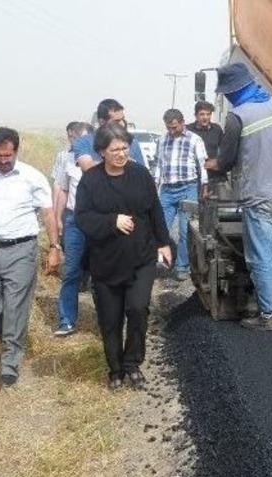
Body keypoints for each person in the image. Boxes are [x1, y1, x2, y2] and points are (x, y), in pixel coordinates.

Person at [207, 63, 272, 332]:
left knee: (260, 254)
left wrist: (212, 164)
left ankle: (268, 315)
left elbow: (227, 160)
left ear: (232, 92)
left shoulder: (237, 116)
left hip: (261, 194)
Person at [0, 127, 62, 387]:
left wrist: (53, 247)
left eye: (8, 155)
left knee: (16, 306)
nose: (3, 160)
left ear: (16, 150)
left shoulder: (32, 177)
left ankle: (10, 362)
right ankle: (12, 336)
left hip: (22, 250)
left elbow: (48, 213)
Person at [74, 124, 172, 390]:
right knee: (110, 318)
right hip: (106, 260)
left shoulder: (140, 174)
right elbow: (82, 217)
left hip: (141, 255)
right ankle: (115, 369)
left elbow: (155, 210)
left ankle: (132, 363)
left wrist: (163, 242)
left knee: (138, 309)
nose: (121, 154)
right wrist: (111, 221)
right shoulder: (91, 180)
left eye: (124, 148)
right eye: (115, 149)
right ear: (102, 152)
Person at [152, 109, 208, 281]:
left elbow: (202, 165)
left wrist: (204, 186)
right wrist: (155, 186)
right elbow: (159, 165)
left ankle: (182, 267)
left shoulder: (194, 140)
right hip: (167, 190)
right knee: (160, 228)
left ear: (182, 123)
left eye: (174, 127)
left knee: (185, 230)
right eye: (168, 128)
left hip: (187, 188)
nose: (171, 131)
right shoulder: (162, 140)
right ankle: (159, 262)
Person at [53, 122, 94, 336]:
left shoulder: (100, 156)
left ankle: (107, 321)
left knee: (102, 273)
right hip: (74, 220)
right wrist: (57, 219)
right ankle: (66, 320)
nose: (77, 142)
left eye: (81, 138)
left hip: (99, 222)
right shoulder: (65, 159)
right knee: (71, 272)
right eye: (73, 138)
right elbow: (61, 189)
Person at [74, 99, 145, 172]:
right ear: (102, 121)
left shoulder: (132, 142)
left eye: (122, 119)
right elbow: (89, 168)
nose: (122, 124)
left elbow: (141, 172)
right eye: (117, 121)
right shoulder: (83, 142)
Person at [51, 121, 88, 222]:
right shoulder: (65, 157)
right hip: (70, 212)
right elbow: (59, 186)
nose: (74, 141)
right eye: (71, 137)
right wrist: (55, 212)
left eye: (77, 137)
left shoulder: (99, 158)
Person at [186, 101, 225, 187]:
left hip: (213, 176)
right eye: (202, 114)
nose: (205, 117)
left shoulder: (217, 129)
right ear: (196, 115)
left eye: (208, 114)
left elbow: (224, 150)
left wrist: (217, 161)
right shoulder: (188, 130)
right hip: (194, 177)